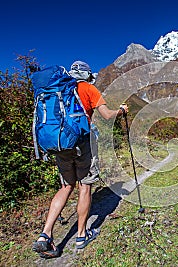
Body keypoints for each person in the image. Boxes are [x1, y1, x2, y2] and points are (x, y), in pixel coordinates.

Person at [32, 61, 128, 258]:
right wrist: (122, 111)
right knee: (85, 186)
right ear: (87, 75)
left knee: (66, 186)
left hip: (60, 144)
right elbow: (107, 116)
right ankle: (82, 235)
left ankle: (45, 235)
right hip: (82, 143)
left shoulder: (58, 88)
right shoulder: (88, 88)